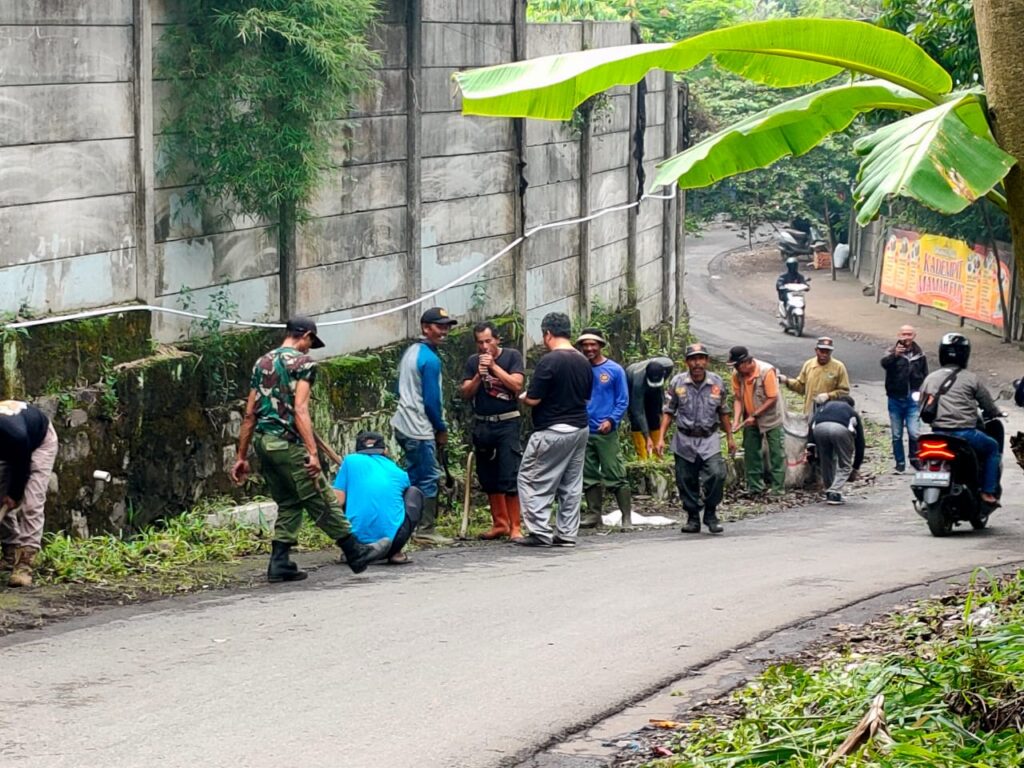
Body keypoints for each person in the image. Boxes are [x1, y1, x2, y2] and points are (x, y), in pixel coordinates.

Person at [231, 316, 390, 583]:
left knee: (290, 501)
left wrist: (241, 456)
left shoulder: (262, 362)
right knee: (320, 496)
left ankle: (279, 562)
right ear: (305, 335)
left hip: (263, 443)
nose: (309, 348)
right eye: (310, 342)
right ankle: (356, 552)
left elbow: (249, 414)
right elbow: (300, 409)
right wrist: (313, 453)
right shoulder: (304, 364)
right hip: (287, 445)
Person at [515, 312, 592, 548]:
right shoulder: (583, 361)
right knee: (571, 482)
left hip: (553, 430)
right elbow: (586, 397)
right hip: (580, 428)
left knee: (530, 479)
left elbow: (534, 399)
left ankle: (539, 531)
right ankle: (567, 533)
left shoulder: (549, 361)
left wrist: (523, 397)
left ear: (547, 333)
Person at [391, 306, 459, 545]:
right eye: (439, 327)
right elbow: (431, 401)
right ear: (425, 328)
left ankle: (406, 526)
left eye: (447, 327)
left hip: (403, 422)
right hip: (418, 427)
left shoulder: (412, 352)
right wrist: (440, 428)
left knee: (413, 476)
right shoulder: (430, 360)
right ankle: (425, 529)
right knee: (428, 478)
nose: (444, 331)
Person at [655, 342, 737, 534]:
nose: (697, 363)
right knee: (685, 479)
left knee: (717, 474)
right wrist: (660, 438)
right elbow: (668, 411)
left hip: (709, 438)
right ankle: (693, 517)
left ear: (706, 361)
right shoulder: (677, 383)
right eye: (693, 359)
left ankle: (710, 513)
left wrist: (730, 437)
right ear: (687, 362)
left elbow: (723, 411)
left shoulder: (716, 382)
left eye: (701, 359)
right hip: (684, 439)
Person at [459, 321, 525, 540]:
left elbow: (517, 386)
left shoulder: (512, 356)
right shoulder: (473, 361)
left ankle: (515, 526)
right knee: (488, 475)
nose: (484, 346)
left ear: (497, 339)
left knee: (510, 473)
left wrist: (494, 367)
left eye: (488, 341)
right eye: (480, 342)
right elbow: (466, 393)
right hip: (483, 423)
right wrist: (479, 375)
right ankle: (500, 523)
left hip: (507, 422)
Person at [919, 333, 1002, 505]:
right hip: (965, 434)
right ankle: (987, 492)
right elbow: (987, 404)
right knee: (992, 448)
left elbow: (922, 406)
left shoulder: (930, 378)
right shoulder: (971, 379)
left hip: (937, 433)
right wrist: (995, 412)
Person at [332, 431, 422, 565]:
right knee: (414, 493)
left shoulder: (350, 461)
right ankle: (396, 553)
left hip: (354, 543)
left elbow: (337, 502)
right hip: (391, 543)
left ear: (357, 450)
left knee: (341, 493)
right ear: (385, 451)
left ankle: (351, 550)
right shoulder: (399, 472)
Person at [0, 400, 59, 588]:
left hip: (39, 441)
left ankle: (25, 563)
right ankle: (10, 552)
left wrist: (13, 495)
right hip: (9, 448)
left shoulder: (14, 434)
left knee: (32, 502)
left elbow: (22, 466)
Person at [577, 328, 631, 528]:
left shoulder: (615, 370)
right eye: (585, 345)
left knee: (614, 473)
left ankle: (626, 517)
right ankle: (594, 515)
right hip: (584, 430)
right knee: (588, 475)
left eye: (593, 344)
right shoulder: (580, 369)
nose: (589, 348)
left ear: (600, 345)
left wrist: (611, 420)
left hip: (605, 431)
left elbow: (623, 400)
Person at [728, 346, 785, 495]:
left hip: (771, 417)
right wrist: (736, 420)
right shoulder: (737, 375)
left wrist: (755, 415)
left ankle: (778, 488)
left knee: (776, 453)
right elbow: (738, 399)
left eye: (738, 365)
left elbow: (772, 398)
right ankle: (755, 487)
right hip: (749, 417)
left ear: (747, 362)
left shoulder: (766, 371)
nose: (736, 369)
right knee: (751, 451)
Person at [880, 325, 928, 473]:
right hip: (895, 398)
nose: (906, 337)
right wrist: (895, 355)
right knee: (896, 434)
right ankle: (899, 463)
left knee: (914, 432)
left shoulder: (919, 354)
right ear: (899, 335)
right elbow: (884, 364)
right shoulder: (891, 351)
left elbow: (925, 375)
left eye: (909, 334)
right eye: (904, 334)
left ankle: (914, 459)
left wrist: (924, 392)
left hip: (913, 399)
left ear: (914, 336)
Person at [811, 395, 865, 505]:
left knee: (826, 461)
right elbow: (860, 443)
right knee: (845, 464)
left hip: (819, 429)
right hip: (840, 429)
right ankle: (834, 492)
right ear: (852, 406)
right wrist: (855, 467)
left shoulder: (824, 406)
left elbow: (811, 424)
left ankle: (829, 490)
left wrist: (810, 450)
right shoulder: (851, 411)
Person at [780, 336, 850, 414]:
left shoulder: (838, 367)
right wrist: (787, 381)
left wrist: (829, 396)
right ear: (816, 350)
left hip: (829, 412)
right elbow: (801, 387)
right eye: (822, 351)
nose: (824, 355)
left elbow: (844, 391)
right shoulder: (809, 365)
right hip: (809, 411)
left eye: (827, 352)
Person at [625, 356, 674, 460]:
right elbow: (638, 411)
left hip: (653, 386)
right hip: (631, 383)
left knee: (654, 415)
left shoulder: (668, 365)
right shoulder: (638, 382)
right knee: (637, 420)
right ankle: (643, 458)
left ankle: (657, 455)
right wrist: (647, 437)